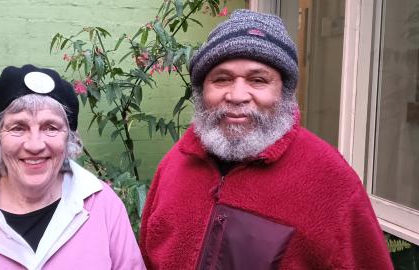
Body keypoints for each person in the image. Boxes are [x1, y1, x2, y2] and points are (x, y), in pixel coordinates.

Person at [139, 9, 393, 270]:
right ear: (202, 91)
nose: (237, 95)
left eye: (258, 80)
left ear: (283, 92)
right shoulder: (176, 163)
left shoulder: (329, 180)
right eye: (221, 79)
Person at [0, 65, 146, 269]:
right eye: (18, 127)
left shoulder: (104, 205)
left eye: (51, 127)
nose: (35, 145)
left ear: (69, 138)